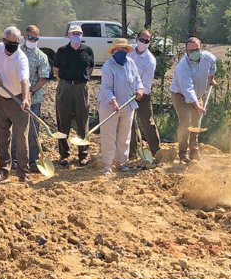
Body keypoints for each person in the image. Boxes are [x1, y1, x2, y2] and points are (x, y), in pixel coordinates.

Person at [0, 26, 31, 183]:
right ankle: (4, 170)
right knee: (2, 135)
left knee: (21, 137)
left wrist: (25, 99)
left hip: (18, 100)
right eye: (9, 42)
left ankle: (23, 172)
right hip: (2, 99)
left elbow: (24, 81)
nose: (12, 45)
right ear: (4, 41)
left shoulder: (21, 59)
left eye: (16, 42)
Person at [98, 38, 144, 175]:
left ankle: (122, 162)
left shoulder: (131, 63)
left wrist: (140, 90)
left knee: (125, 135)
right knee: (109, 135)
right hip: (109, 107)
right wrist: (113, 101)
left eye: (124, 49)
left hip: (127, 105)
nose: (121, 52)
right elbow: (106, 88)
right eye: (119, 49)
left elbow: (137, 80)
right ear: (113, 51)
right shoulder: (107, 67)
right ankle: (107, 164)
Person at [169, 37, 217, 164]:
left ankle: (194, 152)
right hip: (181, 95)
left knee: (196, 123)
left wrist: (211, 78)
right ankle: (183, 154)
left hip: (197, 95)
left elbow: (213, 64)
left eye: (196, 49)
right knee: (186, 122)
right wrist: (198, 107)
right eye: (191, 50)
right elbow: (188, 91)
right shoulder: (183, 67)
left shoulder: (207, 57)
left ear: (201, 48)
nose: (194, 52)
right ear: (186, 51)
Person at [53, 24, 95, 166]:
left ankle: (83, 154)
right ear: (69, 35)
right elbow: (55, 69)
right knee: (63, 122)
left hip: (81, 89)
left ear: (82, 35)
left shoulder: (88, 50)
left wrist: (82, 80)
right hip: (65, 87)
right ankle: (64, 154)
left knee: (82, 122)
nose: (76, 35)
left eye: (78, 33)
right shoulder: (62, 51)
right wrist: (64, 82)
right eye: (73, 33)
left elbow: (90, 68)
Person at [11, 25, 50, 173]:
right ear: (24, 37)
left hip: (34, 99)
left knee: (33, 129)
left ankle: (32, 160)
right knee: (17, 129)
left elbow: (43, 78)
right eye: (29, 37)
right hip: (16, 97)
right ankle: (14, 159)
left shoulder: (41, 56)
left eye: (35, 38)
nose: (32, 40)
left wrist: (31, 91)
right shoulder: (16, 52)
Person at [128, 29, 161, 158]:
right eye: (142, 40)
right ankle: (131, 153)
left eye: (147, 41)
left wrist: (139, 94)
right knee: (128, 123)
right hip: (126, 93)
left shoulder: (150, 61)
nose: (143, 42)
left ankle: (156, 151)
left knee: (147, 122)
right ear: (137, 39)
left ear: (149, 42)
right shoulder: (129, 51)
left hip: (142, 95)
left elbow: (146, 84)